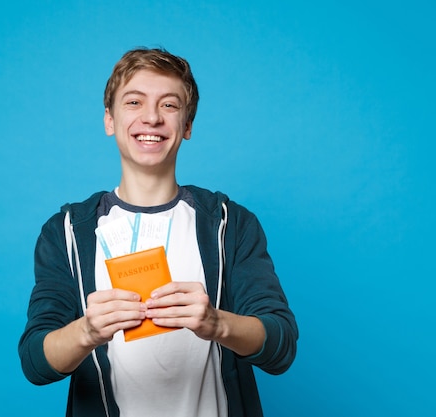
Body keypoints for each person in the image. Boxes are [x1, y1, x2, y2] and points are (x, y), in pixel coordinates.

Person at [18, 47, 298, 417]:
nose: (151, 118)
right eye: (134, 102)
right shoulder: (68, 232)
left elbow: (281, 347)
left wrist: (217, 322)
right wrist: (87, 331)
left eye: (168, 105)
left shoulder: (229, 224)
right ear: (110, 120)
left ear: (187, 125)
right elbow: (35, 362)